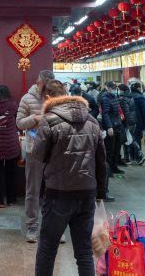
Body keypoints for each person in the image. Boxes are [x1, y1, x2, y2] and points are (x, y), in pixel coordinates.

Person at [31, 80, 107, 276]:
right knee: (84, 252)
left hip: (58, 192)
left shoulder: (49, 120)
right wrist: (100, 192)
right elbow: (101, 160)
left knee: (48, 249)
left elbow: (38, 154)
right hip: (87, 192)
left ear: (48, 97)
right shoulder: (92, 120)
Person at [16, 69, 54, 242]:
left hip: (55, 150)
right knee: (33, 190)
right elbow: (19, 123)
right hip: (34, 150)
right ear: (38, 83)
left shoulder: (57, 97)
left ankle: (54, 226)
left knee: (54, 190)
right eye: (45, 86)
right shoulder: (27, 98)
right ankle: (32, 226)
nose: (47, 90)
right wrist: (35, 118)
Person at [98, 82, 124, 178]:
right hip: (110, 127)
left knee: (117, 148)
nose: (114, 89)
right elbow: (105, 114)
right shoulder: (105, 98)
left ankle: (114, 167)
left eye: (115, 88)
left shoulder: (114, 97)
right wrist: (109, 127)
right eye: (112, 88)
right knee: (109, 149)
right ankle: (107, 170)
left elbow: (117, 111)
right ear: (107, 88)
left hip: (117, 125)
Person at [129, 82, 145, 165]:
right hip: (139, 121)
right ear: (138, 88)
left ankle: (132, 156)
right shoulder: (141, 98)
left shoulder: (128, 96)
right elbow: (144, 112)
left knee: (130, 138)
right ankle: (138, 157)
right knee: (137, 138)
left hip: (129, 121)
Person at [116, 84, 135, 166]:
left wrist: (125, 122)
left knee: (126, 140)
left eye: (118, 89)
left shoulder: (122, 98)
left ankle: (127, 158)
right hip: (132, 120)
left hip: (126, 122)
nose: (117, 91)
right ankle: (132, 156)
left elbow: (126, 112)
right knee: (130, 139)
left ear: (122, 90)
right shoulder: (131, 97)